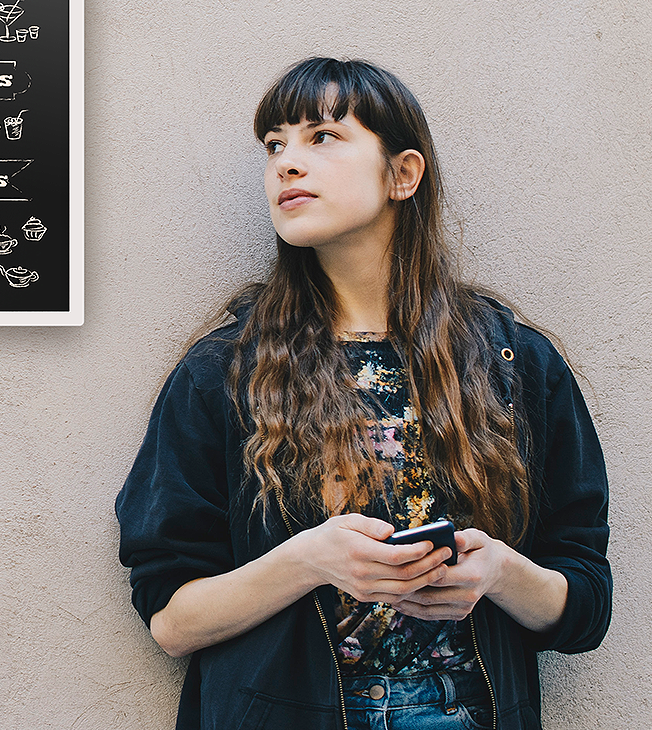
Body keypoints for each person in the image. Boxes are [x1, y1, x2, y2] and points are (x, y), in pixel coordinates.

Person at [116, 57, 610, 730]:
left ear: (403, 174)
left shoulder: (515, 364)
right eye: (275, 145)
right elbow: (172, 621)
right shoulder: (223, 373)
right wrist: (308, 561)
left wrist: (498, 573)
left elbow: (585, 606)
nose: (288, 163)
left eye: (323, 136)